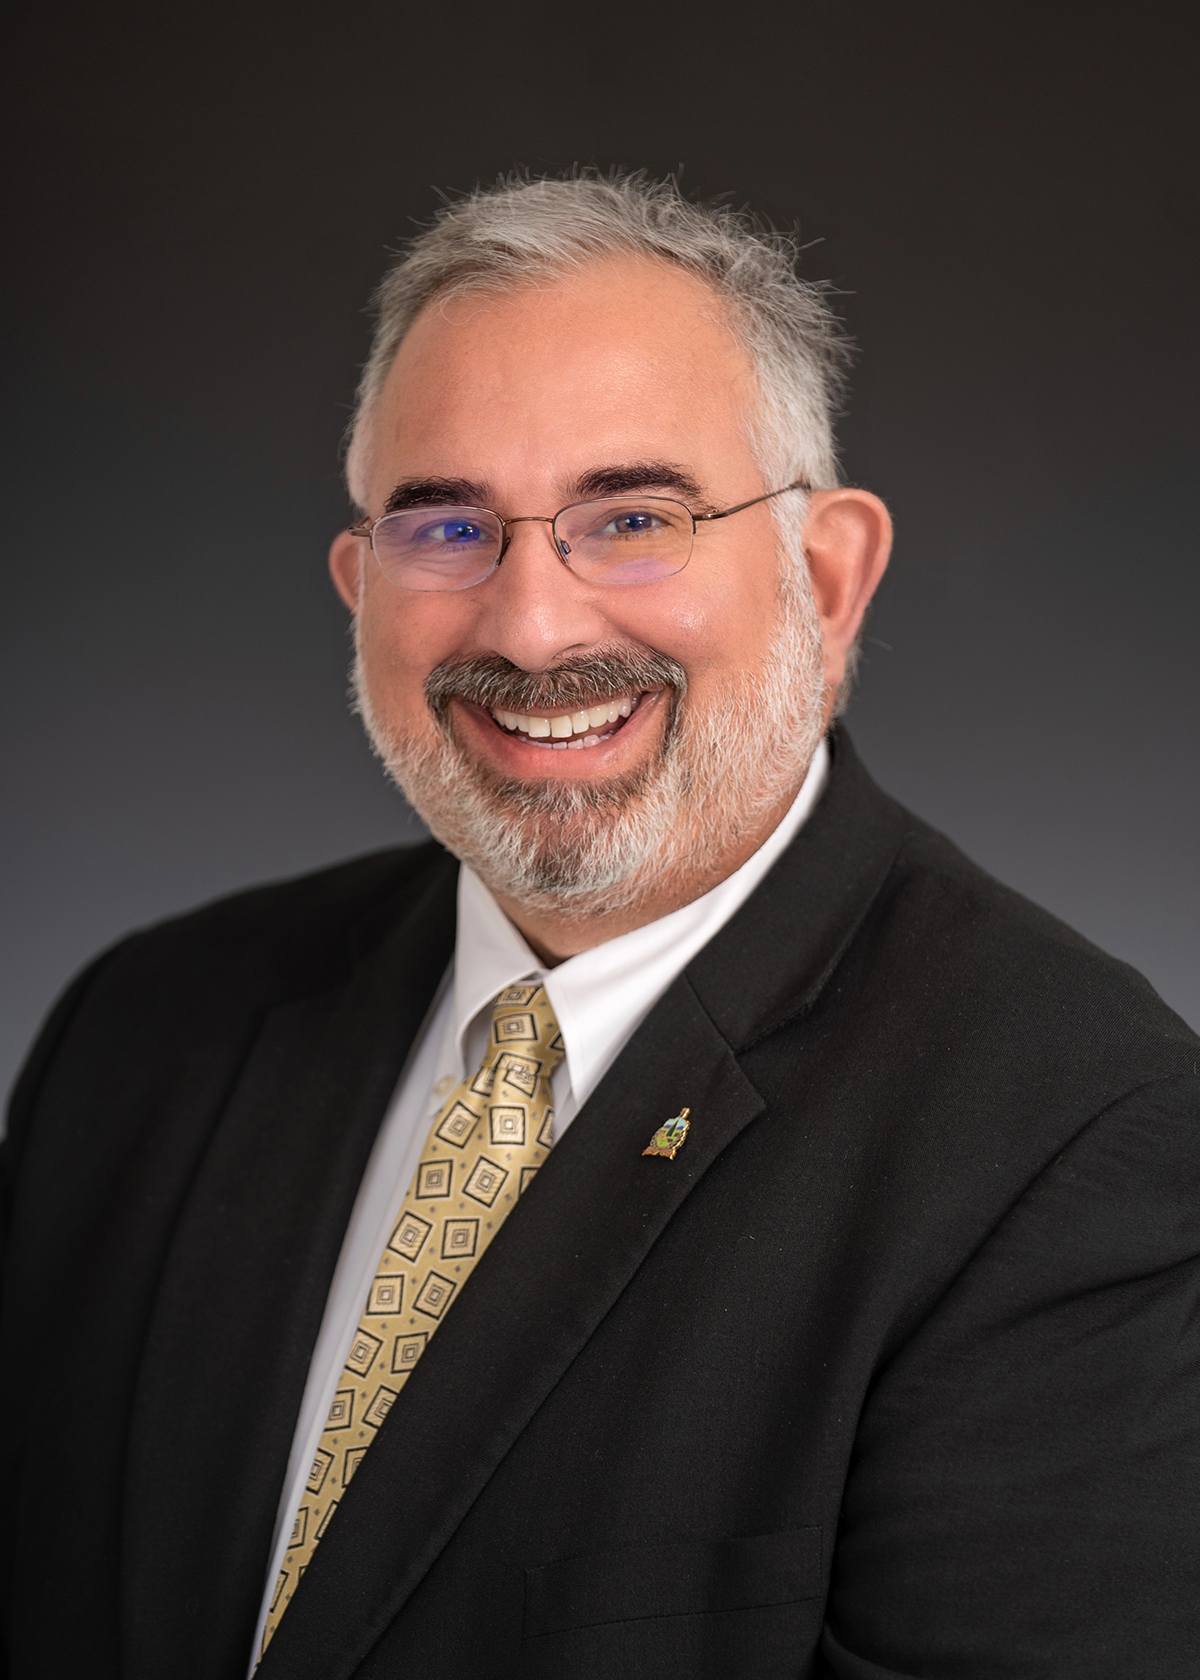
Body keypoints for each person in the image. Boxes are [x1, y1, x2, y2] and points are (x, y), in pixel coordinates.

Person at [2, 173, 1197, 1680]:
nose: (532, 627)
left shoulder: (1075, 1143)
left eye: (634, 517)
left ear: (827, 579)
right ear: (359, 587)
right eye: (447, 528)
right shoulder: (145, 1034)